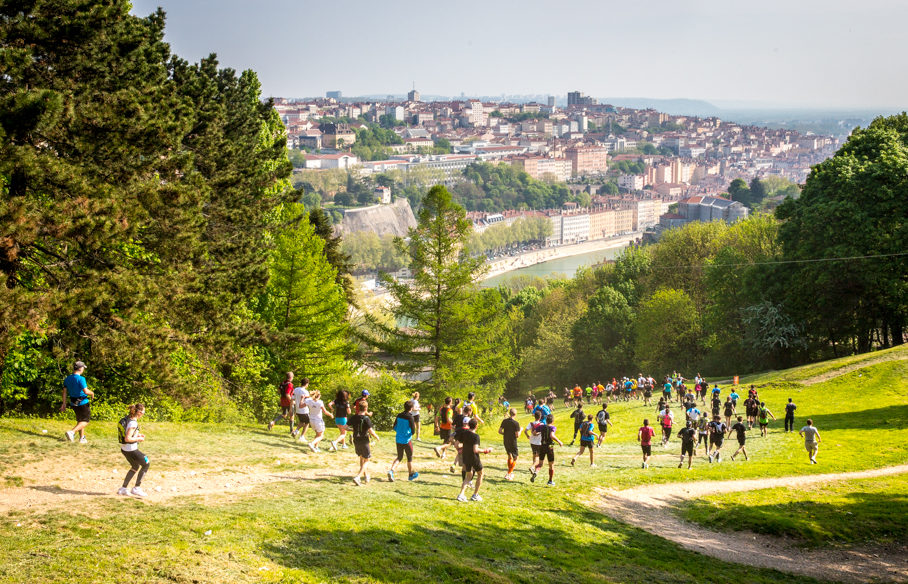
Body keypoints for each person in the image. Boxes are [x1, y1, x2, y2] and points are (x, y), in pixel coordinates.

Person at [117, 403, 150, 497]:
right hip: (131, 449)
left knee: (135, 466)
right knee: (146, 463)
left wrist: (137, 435)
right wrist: (138, 439)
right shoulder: (133, 423)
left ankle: (123, 488)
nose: (143, 414)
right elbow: (128, 439)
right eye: (143, 412)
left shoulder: (128, 419)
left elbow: (129, 434)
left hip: (125, 449)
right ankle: (137, 488)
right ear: (139, 412)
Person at [456, 418, 492, 502]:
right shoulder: (476, 436)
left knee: (468, 476)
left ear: (468, 425)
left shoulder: (464, 433)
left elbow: (457, 444)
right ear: (476, 426)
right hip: (474, 458)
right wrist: (486, 450)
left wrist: (463, 448)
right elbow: (475, 450)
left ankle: (461, 494)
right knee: (481, 473)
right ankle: (475, 495)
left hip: (466, 456)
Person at [62, 361, 94, 443]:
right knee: (85, 421)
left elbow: (64, 392)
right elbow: (86, 391)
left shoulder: (67, 378)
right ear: (80, 368)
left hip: (73, 403)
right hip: (83, 402)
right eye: (83, 367)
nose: (83, 369)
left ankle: (82, 438)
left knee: (80, 420)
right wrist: (92, 393)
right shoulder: (81, 379)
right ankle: (72, 432)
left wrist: (64, 403)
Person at [349, 402, 379, 486]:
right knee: (367, 460)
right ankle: (358, 477)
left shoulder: (354, 417)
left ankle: (366, 476)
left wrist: (352, 430)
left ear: (358, 408)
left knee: (362, 458)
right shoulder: (366, 418)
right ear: (366, 409)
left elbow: (344, 427)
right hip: (364, 440)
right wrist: (376, 437)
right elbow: (370, 431)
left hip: (356, 440)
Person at [388, 400, 418, 482]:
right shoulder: (410, 417)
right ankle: (410, 475)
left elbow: (394, 427)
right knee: (409, 457)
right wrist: (407, 434)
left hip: (398, 439)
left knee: (399, 457)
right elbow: (413, 431)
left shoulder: (399, 415)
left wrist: (399, 432)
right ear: (411, 408)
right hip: (407, 440)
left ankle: (391, 471)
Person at [531, 414, 563, 486]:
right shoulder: (552, 427)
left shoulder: (541, 426)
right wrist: (559, 441)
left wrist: (538, 433)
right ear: (553, 421)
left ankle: (536, 472)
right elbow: (552, 435)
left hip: (542, 445)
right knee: (551, 465)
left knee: (540, 463)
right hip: (550, 446)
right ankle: (550, 481)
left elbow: (534, 432)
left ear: (546, 420)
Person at [498, 408, 521, 480]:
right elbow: (517, 435)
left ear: (509, 413)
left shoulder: (504, 421)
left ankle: (510, 473)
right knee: (515, 457)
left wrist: (506, 434)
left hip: (506, 440)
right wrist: (521, 430)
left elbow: (499, 431)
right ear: (515, 414)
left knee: (509, 456)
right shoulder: (516, 423)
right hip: (513, 441)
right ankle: (508, 473)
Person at [292, 378, 311, 443]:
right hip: (304, 410)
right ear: (306, 384)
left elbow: (293, 398)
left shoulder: (296, 389)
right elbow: (307, 401)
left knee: (302, 421)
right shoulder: (305, 392)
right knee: (307, 423)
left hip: (297, 409)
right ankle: (302, 437)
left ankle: (296, 431)